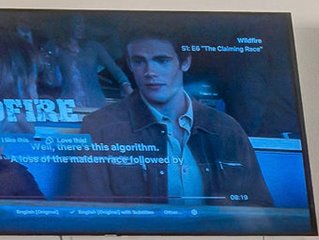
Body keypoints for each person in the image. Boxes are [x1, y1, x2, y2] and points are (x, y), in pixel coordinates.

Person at [65, 28, 271, 205]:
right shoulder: (100, 127)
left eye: (161, 60)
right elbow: (90, 214)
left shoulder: (225, 129)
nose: (150, 72)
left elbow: (261, 212)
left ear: (185, 62)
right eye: (138, 61)